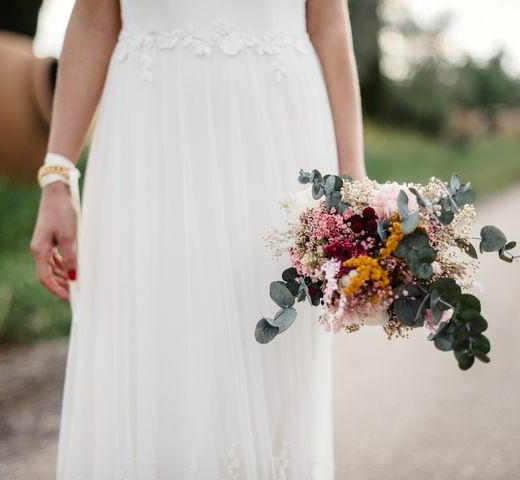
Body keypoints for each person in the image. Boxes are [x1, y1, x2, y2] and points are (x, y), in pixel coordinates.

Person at [29, 0, 366, 477]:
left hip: (279, 134)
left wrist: (352, 180)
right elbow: (91, 19)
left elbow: (329, 22)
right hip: (150, 138)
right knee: (158, 335)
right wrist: (57, 176)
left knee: (269, 339)